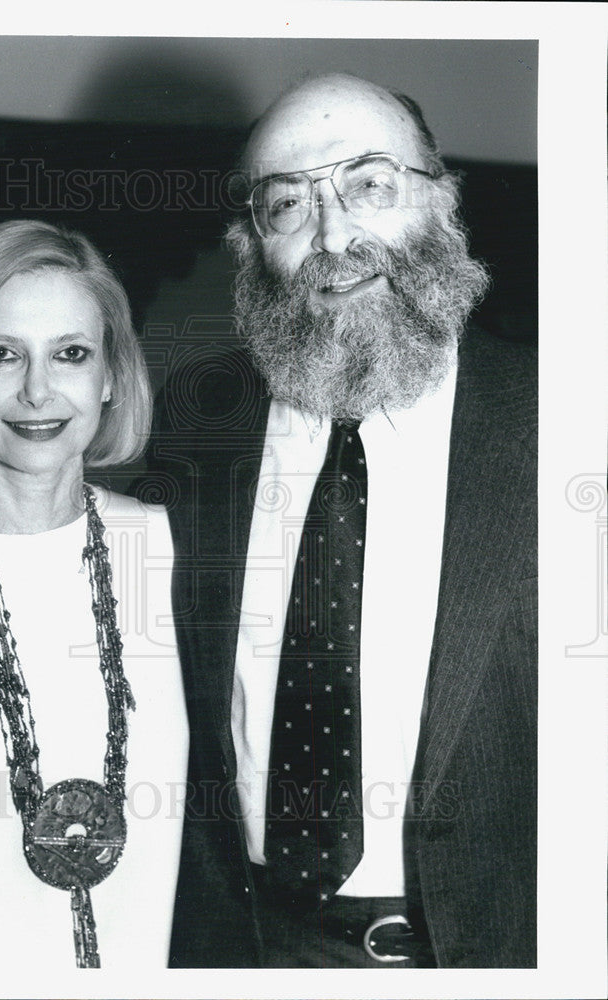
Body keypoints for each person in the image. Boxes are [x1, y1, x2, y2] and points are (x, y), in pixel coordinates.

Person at [148, 73, 537, 968]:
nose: (334, 237)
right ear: (252, 243)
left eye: (369, 184)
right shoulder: (195, 423)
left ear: (440, 201)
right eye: (287, 203)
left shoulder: (562, 418)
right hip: (237, 951)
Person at [0, 220, 187, 987]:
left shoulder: (175, 553)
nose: (37, 390)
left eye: (71, 354)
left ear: (112, 375)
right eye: (0, 354)